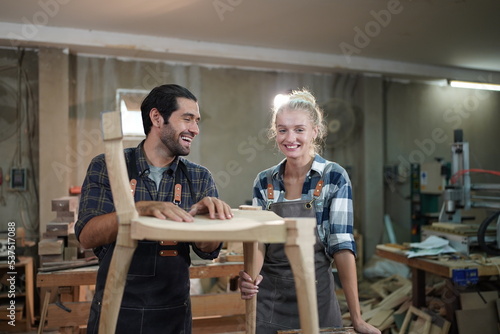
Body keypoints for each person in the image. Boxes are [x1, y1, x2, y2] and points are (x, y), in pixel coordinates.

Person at [75, 84, 233, 334]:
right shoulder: (108, 166)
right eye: (187, 119)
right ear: (157, 118)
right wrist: (136, 210)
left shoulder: (199, 177)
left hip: (173, 314)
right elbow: (87, 236)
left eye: (197, 121)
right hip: (116, 310)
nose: (195, 129)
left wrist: (209, 221)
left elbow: (208, 250)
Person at [239, 89, 380, 334]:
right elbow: (259, 240)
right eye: (282, 130)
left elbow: (342, 245)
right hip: (270, 300)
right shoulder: (264, 181)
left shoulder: (334, 177)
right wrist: (250, 278)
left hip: (318, 297)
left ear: (315, 131)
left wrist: (356, 318)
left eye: (299, 130)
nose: (289, 137)